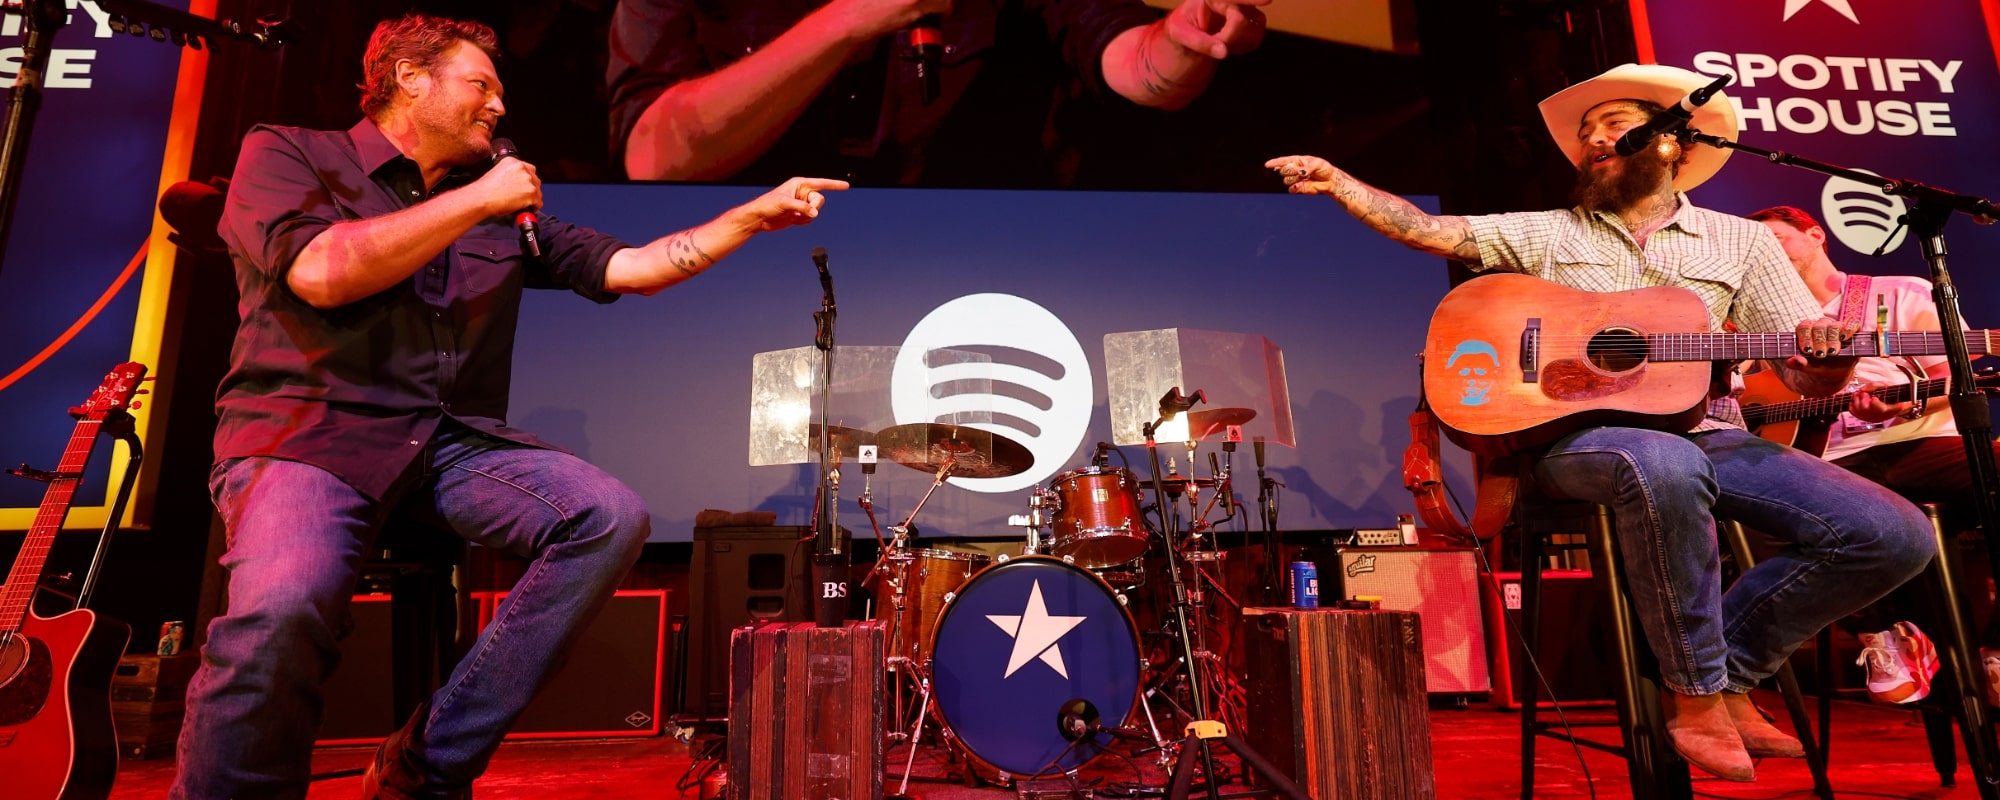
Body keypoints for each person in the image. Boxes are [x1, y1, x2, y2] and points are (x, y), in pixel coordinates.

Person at [172, 14, 847, 799]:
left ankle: (426, 763)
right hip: (308, 435)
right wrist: (477, 201)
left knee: (606, 517)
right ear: (408, 78)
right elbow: (322, 274)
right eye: (480, 85)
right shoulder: (291, 153)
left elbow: (634, 266)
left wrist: (752, 216)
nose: (498, 106)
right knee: (284, 608)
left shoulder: (496, 210)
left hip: (443, 445)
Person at [1267, 63, 1935, 783]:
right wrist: (1341, 183)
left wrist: (1831, 362)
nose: (1593, 140)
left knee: (1892, 534)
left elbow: (1804, 372)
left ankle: (1731, 674)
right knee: (1664, 463)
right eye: (1586, 133)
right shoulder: (1551, 231)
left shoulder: (1741, 242)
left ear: (1671, 143)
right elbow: (1428, 230)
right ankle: (1695, 696)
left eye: (1614, 125)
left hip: (1709, 432)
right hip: (1573, 442)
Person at [1750, 204, 1999, 706]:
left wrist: (1907, 403)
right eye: (1757, 250)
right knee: (1754, 505)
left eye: (1775, 239)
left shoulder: (1900, 293)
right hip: (1827, 462)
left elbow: (1958, 378)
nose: (1768, 254)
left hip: (1921, 443)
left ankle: (1995, 649)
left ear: (1815, 234)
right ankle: (1885, 634)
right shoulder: (1755, 321)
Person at [607, 0, 1269, 186]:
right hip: (749, 276)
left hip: (965, 268)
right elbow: (652, 157)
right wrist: (848, 20)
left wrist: (1187, 39)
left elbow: (1131, 60)